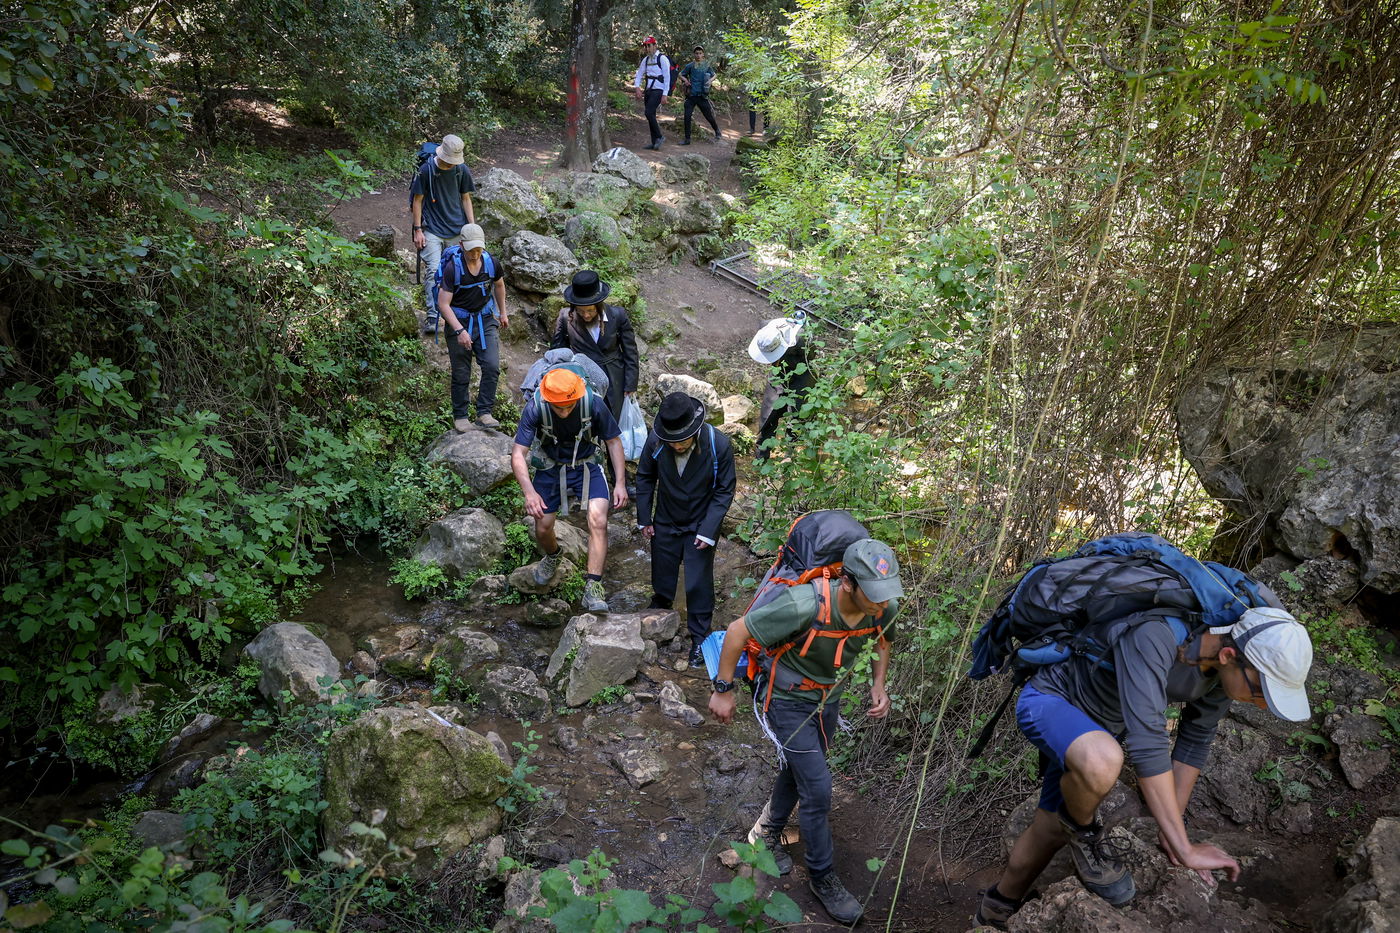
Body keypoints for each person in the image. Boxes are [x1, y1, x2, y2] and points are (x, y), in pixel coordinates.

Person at [974, 607, 1315, 929]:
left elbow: (1194, 741)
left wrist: (1172, 835)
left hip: (1096, 733)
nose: (1262, 704)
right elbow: (1147, 743)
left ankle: (995, 908)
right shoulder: (1155, 634)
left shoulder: (1221, 675)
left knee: (1050, 828)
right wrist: (1186, 849)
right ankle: (1085, 832)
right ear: (1229, 655)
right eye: (1260, 692)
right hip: (1051, 701)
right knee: (1102, 762)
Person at [708, 539, 903, 926]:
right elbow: (736, 631)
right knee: (817, 788)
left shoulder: (884, 607)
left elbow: (884, 640)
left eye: (886, 592)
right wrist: (723, 690)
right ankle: (822, 876)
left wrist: (878, 684)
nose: (882, 602)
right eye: (874, 592)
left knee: (799, 770)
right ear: (848, 583)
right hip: (785, 699)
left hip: (827, 700)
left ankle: (765, 834)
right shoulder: (804, 604)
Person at [511, 369, 628, 613]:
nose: (564, 412)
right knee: (543, 526)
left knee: (598, 520)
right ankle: (553, 555)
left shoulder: (593, 403)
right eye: (558, 407)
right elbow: (518, 453)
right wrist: (529, 493)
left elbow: (613, 441)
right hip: (550, 467)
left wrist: (620, 483)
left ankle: (593, 587)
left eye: (569, 406)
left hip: (587, 464)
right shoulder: (536, 407)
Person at [636, 393, 736, 667]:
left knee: (697, 581)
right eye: (673, 441)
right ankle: (660, 614)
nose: (677, 445)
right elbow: (645, 476)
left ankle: (700, 638)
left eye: (682, 440)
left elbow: (724, 490)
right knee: (662, 570)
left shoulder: (718, 444)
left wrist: (708, 530)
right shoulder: (656, 441)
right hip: (666, 517)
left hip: (701, 522)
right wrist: (644, 518)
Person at [436, 223, 509, 432]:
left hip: (484, 319)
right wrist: (459, 330)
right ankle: (460, 416)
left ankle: (484, 413)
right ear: (461, 245)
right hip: (458, 321)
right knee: (461, 372)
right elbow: (443, 304)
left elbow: (499, 285)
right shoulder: (453, 268)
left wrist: (502, 312)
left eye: (478, 249)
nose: (475, 254)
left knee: (492, 366)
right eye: (471, 250)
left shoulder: (491, 262)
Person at [552, 272, 640, 436]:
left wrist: (630, 384)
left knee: (614, 425)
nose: (586, 315)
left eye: (591, 310)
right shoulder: (565, 318)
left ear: (599, 305)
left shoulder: (617, 315)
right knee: (586, 422)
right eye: (581, 311)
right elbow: (557, 352)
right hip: (582, 379)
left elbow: (630, 351)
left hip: (614, 377)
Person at [410, 134, 476, 337]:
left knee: (457, 270)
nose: (450, 164)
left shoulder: (461, 170)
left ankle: (456, 312)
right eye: (448, 160)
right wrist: (418, 229)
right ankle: (432, 316)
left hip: (457, 228)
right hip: (432, 228)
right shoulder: (426, 170)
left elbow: (466, 198)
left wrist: (471, 227)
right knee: (434, 270)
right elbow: (417, 201)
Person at [748, 316, 815, 461]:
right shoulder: (765, 327)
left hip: (801, 375)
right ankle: (761, 456)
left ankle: (789, 457)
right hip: (777, 373)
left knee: (796, 416)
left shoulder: (800, 338)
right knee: (769, 413)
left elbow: (811, 357)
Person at [632, 36, 671, 150]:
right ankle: (654, 143)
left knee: (648, 113)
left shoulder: (662, 59)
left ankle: (659, 136)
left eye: (649, 46)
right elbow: (639, 74)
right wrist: (637, 87)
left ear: (655, 46)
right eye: (645, 46)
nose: (647, 48)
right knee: (651, 115)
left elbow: (667, 77)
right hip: (648, 90)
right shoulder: (646, 60)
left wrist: (665, 94)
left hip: (659, 89)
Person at [678, 46, 721, 145]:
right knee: (687, 116)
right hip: (691, 95)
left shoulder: (706, 65)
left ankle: (717, 131)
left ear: (703, 54)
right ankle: (687, 139)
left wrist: (710, 81)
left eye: (700, 53)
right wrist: (686, 80)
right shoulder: (690, 66)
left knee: (708, 116)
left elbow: (715, 74)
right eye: (696, 53)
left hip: (702, 96)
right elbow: (680, 74)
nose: (698, 55)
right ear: (694, 54)